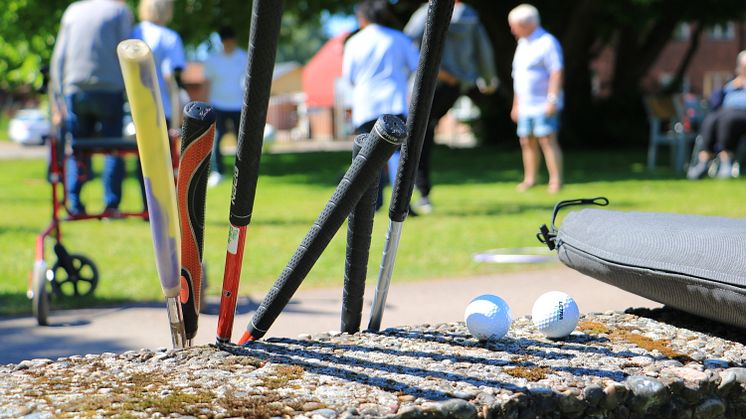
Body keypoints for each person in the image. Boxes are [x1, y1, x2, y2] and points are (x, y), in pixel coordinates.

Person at [405, 0, 498, 212]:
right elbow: (483, 48)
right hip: (455, 85)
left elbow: (407, 39)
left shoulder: (427, 11)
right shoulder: (470, 15)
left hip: (429, 83)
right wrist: (488, 78)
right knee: (425, 131)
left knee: (418, 135)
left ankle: (420, 192)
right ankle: (423, 193)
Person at [50, 0, 133, 217]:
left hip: (75, 88)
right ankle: (111, 205)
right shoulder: (118, 11)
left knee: (76, 148)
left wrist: (58, 96)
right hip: (109, 88)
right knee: (113, 148)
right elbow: (128, 51)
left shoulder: (72, 10)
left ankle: (74, 204)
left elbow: (59, 57)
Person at [343, 0, 419, 209]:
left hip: (366, 103)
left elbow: (348, 77)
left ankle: (371, 202)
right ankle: (402, 201)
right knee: (397, 153)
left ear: (362, 18)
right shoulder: (398, 38)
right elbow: (417, 65)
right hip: (393, 100)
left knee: (368, 154)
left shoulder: (354, 42)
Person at [132, 0, 186, 210]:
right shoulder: (169, 37)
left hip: (138, 106)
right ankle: (165, 204)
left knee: (143, 159)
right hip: (163, 106)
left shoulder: (132, 32)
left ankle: (147, 205)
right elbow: (173, 75)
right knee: (164, 159)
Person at [508, 4, 564, 194]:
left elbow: (556, 72)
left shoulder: (547, 42)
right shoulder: (522, 44)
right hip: (526, 104)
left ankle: (555, 181)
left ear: (527, 24)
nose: (512, 30)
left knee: (547, 140)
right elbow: (519, 77)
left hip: (543, 102)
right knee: (526, 141)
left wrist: (552, 99)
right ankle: (530, 179)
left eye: (514, 25)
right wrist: (516, 104)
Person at [687, 50, 746, 180]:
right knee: (711, 119)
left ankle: (726, 161)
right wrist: (731, 86)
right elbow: (714, 101)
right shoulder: (733, 84)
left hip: (742, 114)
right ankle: (704, 161)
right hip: (725, 112)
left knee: (728, 119)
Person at [204, 26, 248, 187]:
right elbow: (206, 83)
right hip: (218, 105)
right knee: (216, 139)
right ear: (222, 42)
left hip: (239, 105)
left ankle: (244, 173)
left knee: (242, 140)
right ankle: (218, 171)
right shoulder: (212, 59)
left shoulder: (243, 57)